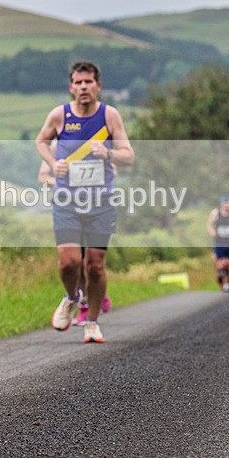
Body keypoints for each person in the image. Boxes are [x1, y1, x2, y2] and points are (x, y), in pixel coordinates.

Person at [36, 61, 134, 343]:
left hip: (101, 201)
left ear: (98, 86)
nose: (83, 87)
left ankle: (91, 322)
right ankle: (70, 297)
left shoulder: (109, 116)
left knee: (95, 265)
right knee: (69, 262)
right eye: (78, 83)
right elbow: (40, 141)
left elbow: (128, 155)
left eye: (88, 82)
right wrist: (54, 164)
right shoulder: (60, 115)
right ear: (71, 87)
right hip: (67, 200)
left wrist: (108, 153)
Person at [38, 147, 113, 323]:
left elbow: (113, 168)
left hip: (95, 206)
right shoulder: (55, 148)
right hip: (69, 207)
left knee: (92, 259)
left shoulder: (92, 143)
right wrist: (61, 182)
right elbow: (42, 177)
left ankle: (95, 296)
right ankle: (83, 303)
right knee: (73, 260)